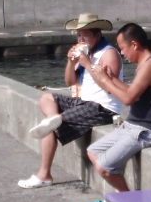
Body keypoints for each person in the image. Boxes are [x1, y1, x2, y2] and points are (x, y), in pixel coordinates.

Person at [18, 13, 123, 189]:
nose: (81, 39)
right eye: (78, 35)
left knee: (49, 127)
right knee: (46, 98)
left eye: (85, 35)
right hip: (84, 102)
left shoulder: (109, 53)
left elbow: (109, 88)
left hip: (103, 108)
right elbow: (70, 81)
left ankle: (44, 175)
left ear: (97, 35)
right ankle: (54, 117)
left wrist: (87, 63)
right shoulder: (87, 53)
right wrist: (71, 62)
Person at [80, 23, 151, 193]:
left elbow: (128, 99)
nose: (121, 53)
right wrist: (111, 79)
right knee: (93, 152)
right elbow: (131, 91)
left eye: (122, 48)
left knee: (104, 166)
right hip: (131, 125)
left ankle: (128, 199)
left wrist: (105, 80)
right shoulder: (143, 64)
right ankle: (121, 196)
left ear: (134, 44)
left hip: (144, 130)